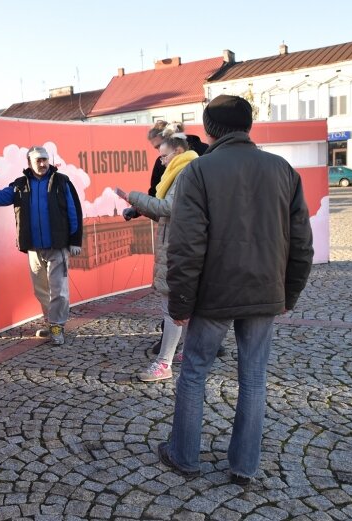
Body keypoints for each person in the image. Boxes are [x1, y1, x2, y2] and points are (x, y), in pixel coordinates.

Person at [158, 95, 314, 485]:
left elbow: (185, 246)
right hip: (264, 293)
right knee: (254, 378)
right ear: (249, 126)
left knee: (194, 373)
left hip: (214, 295)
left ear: (209, 130)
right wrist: (288, 295)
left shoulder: (198, 172)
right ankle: (244, 466)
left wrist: (180, 303)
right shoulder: (283, 170)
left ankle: (184, 456)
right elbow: (301, 242)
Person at [0, 146, 83, 345]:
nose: (42, 163)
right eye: (38, 160)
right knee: (41, 291)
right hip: (34, 249)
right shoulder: (20, 185)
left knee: (59, 290)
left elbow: (75, 211)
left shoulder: (62, 182)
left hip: (58, 247)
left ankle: (57, 327)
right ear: (29, 163)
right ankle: (51, 323)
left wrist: (75, 240)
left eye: (45, 159)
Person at [115, 123, 197, 382]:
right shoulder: (179, 172)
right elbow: (165, 212)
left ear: (178, 151)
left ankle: (164, 363)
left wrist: (133, 197)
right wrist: (137, 207)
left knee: (172, 307)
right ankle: (188, 351)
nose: (160, 161)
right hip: (177, 244)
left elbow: (169, 208)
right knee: (184, 306)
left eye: (163, 155)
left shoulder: (184, 173)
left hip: (177, 248)